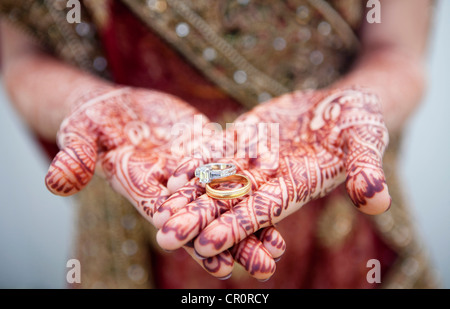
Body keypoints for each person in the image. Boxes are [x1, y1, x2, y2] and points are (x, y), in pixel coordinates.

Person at [0, 0, 438, 288]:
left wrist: (356, 105)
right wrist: (89, 105)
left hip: (342, 225)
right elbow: (20, 56)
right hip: (137, 194)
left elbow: (396, 48)